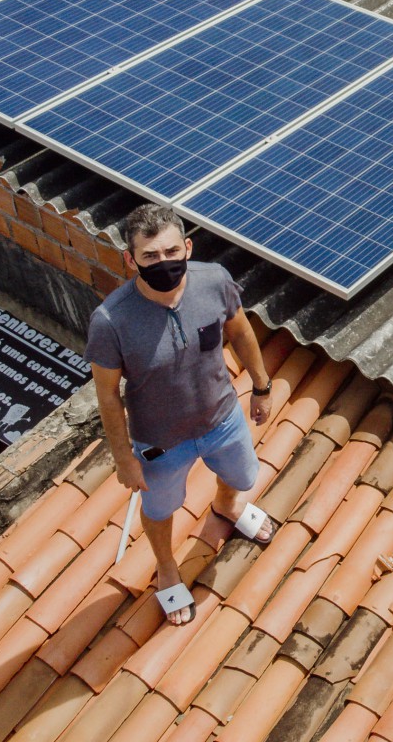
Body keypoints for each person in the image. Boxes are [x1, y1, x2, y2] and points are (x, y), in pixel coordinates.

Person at [86, 203, 275, 625]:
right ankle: (167, 569)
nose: (163, 262)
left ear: (187, 247)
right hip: (159, 442)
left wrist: (261, 386)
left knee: (243, 478)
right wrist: (123, 458)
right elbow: (107, 396)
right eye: (150, 256)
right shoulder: (110, 321)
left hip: (222, 419)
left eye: (172, 252)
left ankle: (226, 506)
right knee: (160, 510)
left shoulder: (215, 282)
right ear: (130, 259)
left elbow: (241, 331)